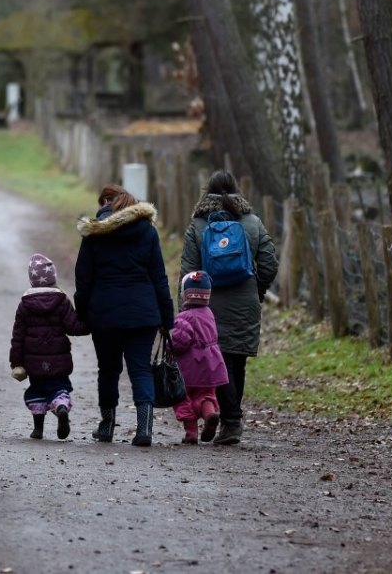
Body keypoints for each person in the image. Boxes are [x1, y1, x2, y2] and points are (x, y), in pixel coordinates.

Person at [180, 170, 278, 445]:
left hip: (208, 305)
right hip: (246, 300)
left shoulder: (198, 225)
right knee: (237, 362)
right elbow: (270, 264)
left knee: (218, 362)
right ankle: (231, 420)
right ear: (237, 191)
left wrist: (184, 312)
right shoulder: (253, 222)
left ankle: (231, 420)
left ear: (206, 192)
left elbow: (188, 272)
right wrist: (256, 291)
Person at [74, 184, 174, 447]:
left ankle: (106, 426)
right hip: (143, 314)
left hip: (104, 314)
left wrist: (82, 313)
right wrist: (167, 317)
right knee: (140, 370)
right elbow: (159, 278)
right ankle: (145, 429)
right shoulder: (148, 233)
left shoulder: (94, 234)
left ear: (107, 202)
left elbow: (83, 279)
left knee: (107, 370)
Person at [9, 253, 89, 440]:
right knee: (59, 387)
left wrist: (16, 362)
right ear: (53, 278)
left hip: (33, 360)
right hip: (58, 358)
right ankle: (61, 406)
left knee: (37, 390)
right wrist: (90, 324)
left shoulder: (25, 305)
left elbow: (17, 337)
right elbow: (73, 327)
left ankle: (38, 429)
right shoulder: (62, 301)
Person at [170, 271, 229, 445]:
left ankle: (191, 433)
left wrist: (169, 345)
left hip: (190, 367)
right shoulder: (209, 314)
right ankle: (209, 414)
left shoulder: (184, 317)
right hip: (212, 364)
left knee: (183, 397)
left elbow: (180, 341)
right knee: (206, 394)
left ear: (185, 296)